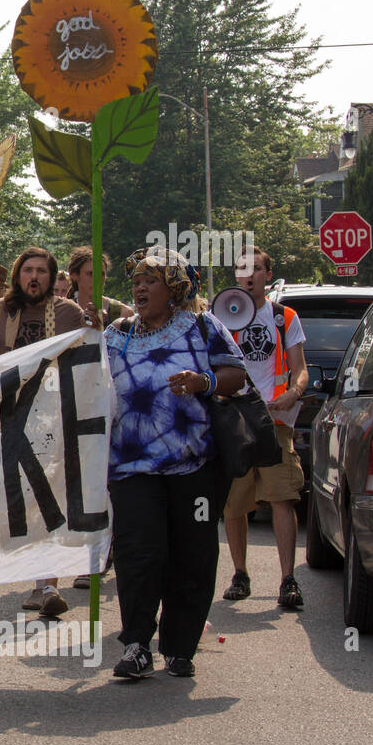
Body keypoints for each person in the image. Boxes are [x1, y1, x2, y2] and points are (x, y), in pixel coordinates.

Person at [100, 247, 246, 679]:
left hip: (194, 467)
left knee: (192, 556)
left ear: (175, 288)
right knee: (139, 555)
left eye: (152, 280)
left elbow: (237, 375)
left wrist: (204, 382)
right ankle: (137, 645)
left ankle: (180, 647)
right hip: (131, 469)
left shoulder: (202, 327)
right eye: (137, 281)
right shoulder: (116, 334)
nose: (140, 288)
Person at [0, 247, 87, 616]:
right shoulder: (3, 310)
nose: (34, 277)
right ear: (18, 276)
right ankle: (35, 575)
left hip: (54, 416)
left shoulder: (68, 313)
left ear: (52, 276)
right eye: (28, 270)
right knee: (22, 499)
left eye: (42, 271)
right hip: (12, 416)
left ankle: (46, 585)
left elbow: (89, 349)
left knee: (50, 497)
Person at [221, 245, 309, 611]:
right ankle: (240, 574)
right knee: (234, 504)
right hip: (236, 422)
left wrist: (294, 392)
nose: (250, 275)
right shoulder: (224, 316)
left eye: (257, 268)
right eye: (244, 269)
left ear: (267, 275)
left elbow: (300, 366)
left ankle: (288, 578)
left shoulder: (283, 317)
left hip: (274, 423)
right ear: (236, 277)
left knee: (281, 499)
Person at [68, 246, 132, 327]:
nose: (97, 280)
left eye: (101, 274)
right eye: (91, 274)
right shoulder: (63, 312)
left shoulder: (123, 313)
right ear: (74, 275)